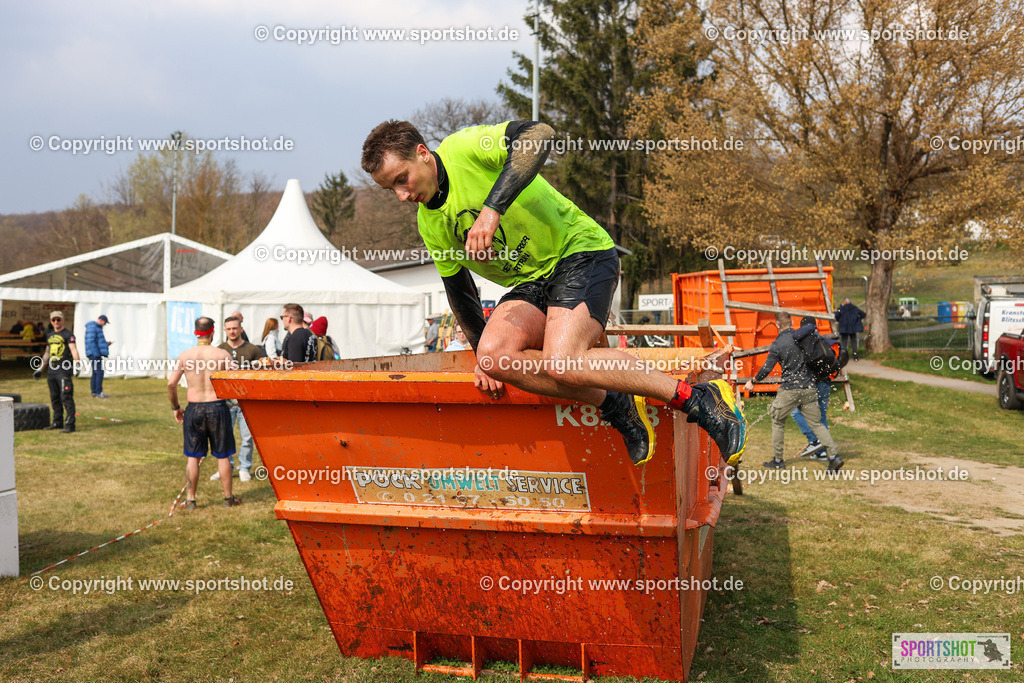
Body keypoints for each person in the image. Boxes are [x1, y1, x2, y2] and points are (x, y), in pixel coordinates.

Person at [361, 119, 746, 466]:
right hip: (535, 280)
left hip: (579, 251)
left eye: (401, 179)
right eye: (389, 189)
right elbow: (460, 293)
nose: (400, 195)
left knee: (563, 361)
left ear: (424, 155)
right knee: (497, 359)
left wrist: (492, 209)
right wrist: (480, 356)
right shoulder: (430, 224)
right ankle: (616, 402)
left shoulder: (463, 148)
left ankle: (699, 399)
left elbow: (539, 135)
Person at [744, 312, 842, 472]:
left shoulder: (778, 343)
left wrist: (753, 382)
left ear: (777, 325)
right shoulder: (803, 338)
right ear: (790, 323)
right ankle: (833, 457)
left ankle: (778, 460)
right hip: (810, 387)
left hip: (789, 389)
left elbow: (767, 368)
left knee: (777, 420)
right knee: (817, 424)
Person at [167, 316, 240, 509]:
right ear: (213, 331)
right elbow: (236, 381)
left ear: (195, 332)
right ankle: (227, 498)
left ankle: (190, 499)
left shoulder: (185, 355)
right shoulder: (223, 354)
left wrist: (176, 407)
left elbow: (171, 383)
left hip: (194, 407)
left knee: (193, 457)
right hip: (217, 407)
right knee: (222, 455)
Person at [213, 315, 266, 482]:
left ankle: (245, 467)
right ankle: (226, 466)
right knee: (223, 436)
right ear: (225, 330)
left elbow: (261, 375)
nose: (232, 331)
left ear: (241, 329)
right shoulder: (219, 350)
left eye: (235, 328)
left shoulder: (253, 350)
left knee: (247, 438)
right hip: (225, 402)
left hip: (246, 402)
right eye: (228, 329)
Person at [788, 316, 847, 459]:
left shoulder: (803, 342)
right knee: (821, 418)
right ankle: (824, 451)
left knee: (795, 412)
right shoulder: (825, 341)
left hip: (810, 384)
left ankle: (814, 441)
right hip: (825, 383)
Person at [33, 311, 80, 433]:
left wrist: (78, 364)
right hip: (51, 371)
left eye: (58, 319)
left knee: (66, 397)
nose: (56, 322)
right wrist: (40, 368)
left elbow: (74, 350)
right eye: (54, 320)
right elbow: (47, 353)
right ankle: (57, 422)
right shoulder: (50, 335)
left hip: (63, 370)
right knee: (54, 398)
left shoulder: (68, 334)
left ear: (63, 320)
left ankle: (70, 425)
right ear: (51, 321)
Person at [84, 314, 112, 398]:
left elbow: (96, 341)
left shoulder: (94, 327)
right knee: (99, 372)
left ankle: (94, 392)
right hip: (94, 354)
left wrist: (105, 344)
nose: (104, 325)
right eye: (105, 323)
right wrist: (96, 354)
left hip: (94, 353)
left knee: (96, 373)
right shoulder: (93, 327)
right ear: (101, 320)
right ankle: (98, 392)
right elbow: (91, 341)